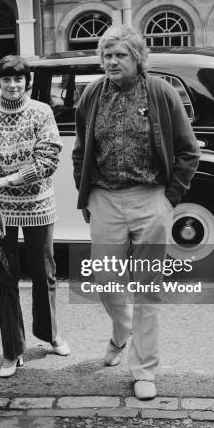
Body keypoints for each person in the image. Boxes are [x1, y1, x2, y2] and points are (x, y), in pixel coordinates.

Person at [72, 26, 200, 400]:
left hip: (150, 198)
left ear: (137, 59)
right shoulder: (93, 93)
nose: (111, 61)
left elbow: (189, 150)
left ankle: (143, 370)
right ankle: (121, 330)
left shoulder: (160, 92)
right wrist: (86, 197)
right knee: (104, 281)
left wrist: (169, 198)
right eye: (107, 55)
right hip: (106, 199)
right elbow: (81, 148)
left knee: (147, 290)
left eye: (120, 55)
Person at [0, 54, 69, 378]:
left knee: (44, 274)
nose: (13, 85)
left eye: (19, 79)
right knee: (6, 276)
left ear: (27, 81)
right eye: (7, 79)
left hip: (39, 204)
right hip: (0, 209)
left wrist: (5, 180)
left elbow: (48, 160)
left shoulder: (41, 112)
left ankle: (50, 334)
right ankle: (12, 350)